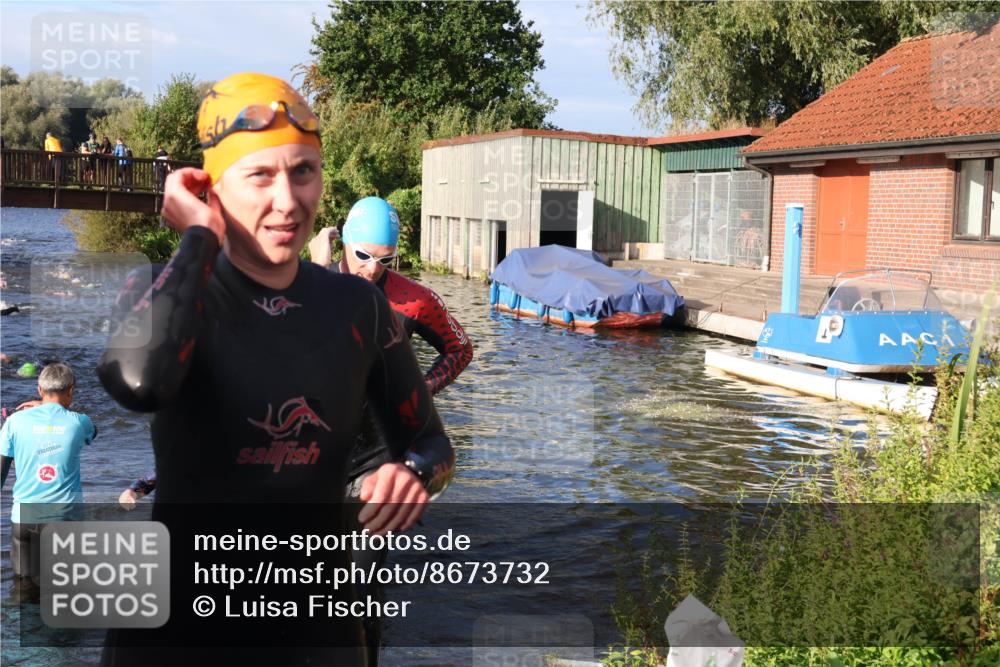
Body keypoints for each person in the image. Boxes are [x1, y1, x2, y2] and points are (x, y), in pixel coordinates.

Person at [97, 72, 453, 666]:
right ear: (212, 187)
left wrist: (413, 474)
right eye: (259, 174)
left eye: (303, 171)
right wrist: (198, 241)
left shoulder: (359, 307)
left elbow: (431, 443)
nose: (287, 201)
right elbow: (139, 381)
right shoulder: (162, 292)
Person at [308, 198, 473, 664]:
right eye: (363, 256)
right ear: (343, 243)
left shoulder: (413, 299)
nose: (371, 269)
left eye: (385, 260)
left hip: (376, 460)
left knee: (361, 587)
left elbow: (460, 348)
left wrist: (421, 390)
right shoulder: (307, 282)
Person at [1, 363, 97, 583]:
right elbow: (94, 433)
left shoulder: (14, 422)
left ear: (39, 389)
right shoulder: (80, 422)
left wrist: (38, 408)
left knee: (23, 587)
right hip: (66, 518)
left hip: (25, 519)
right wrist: (46, 408)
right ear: (70, 390)